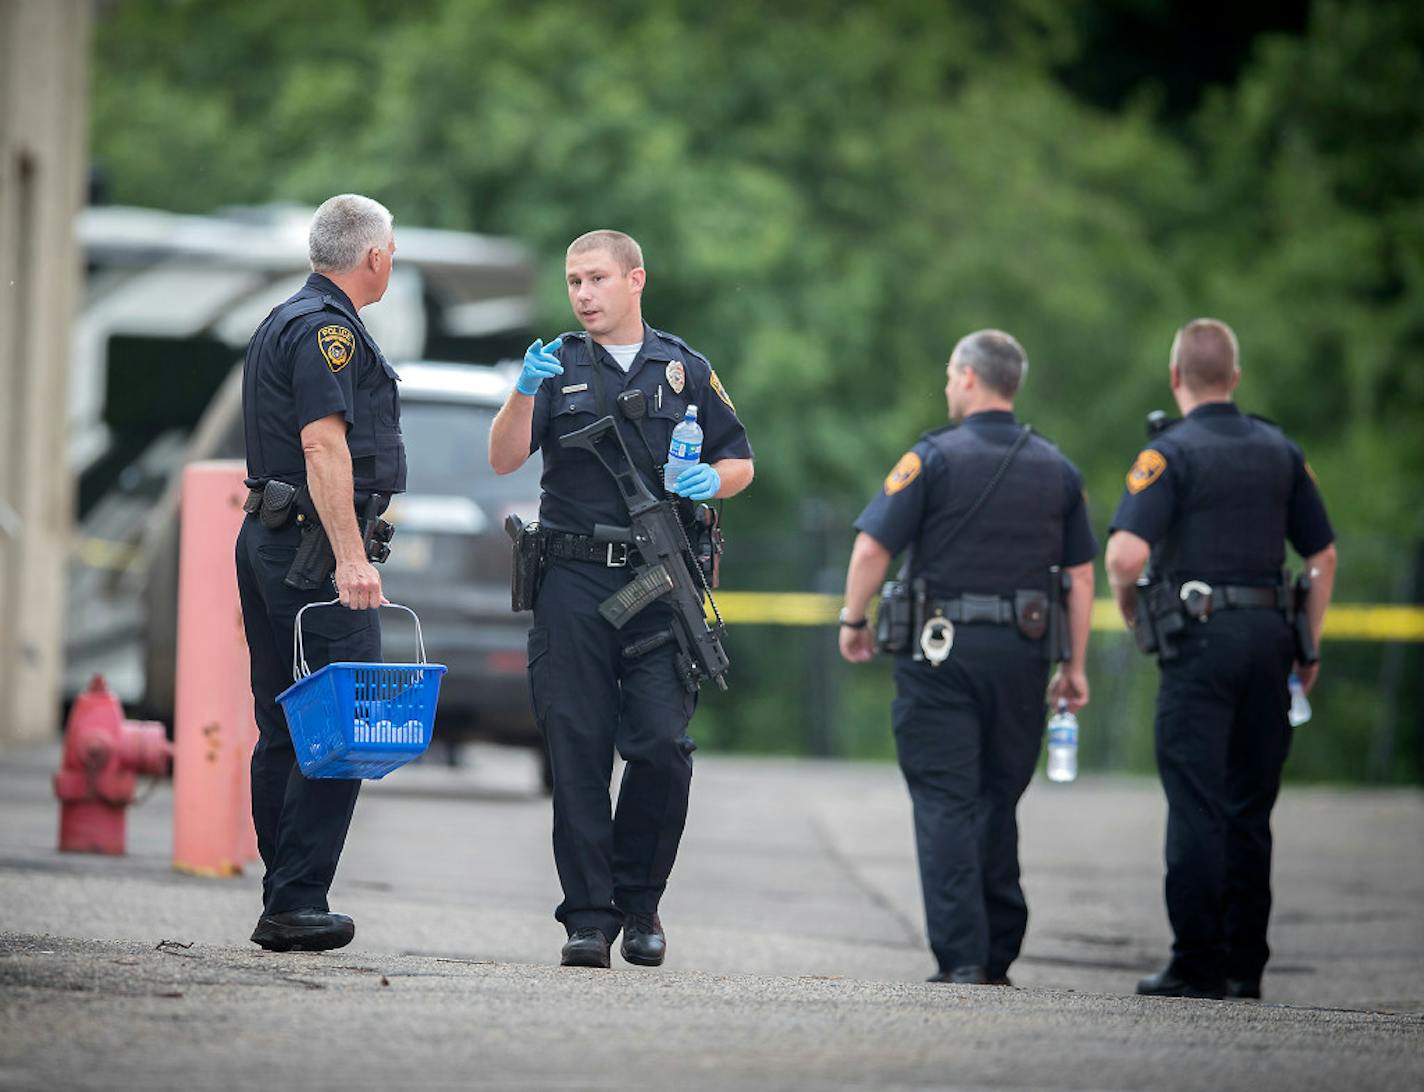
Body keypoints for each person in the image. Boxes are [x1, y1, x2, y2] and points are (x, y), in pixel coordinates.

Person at [488, 229, 754, 969]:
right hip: (572, 579)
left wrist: (712, 481)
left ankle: (642, 904)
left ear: (636, 280)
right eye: (574, 282)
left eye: (597, 279)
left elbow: (740, 460)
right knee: (576, 749)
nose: (583, 295)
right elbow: (505, 456)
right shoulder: (556, 369)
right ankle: (588, 919)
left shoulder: (685, 368)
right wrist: (521, 392)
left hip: (661, 582)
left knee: (663, 745)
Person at [838, 330, 1096, 986]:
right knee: (998, 798)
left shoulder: (933, 458)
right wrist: (1075, 666)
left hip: (940, 654)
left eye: (952, 377)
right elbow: (1082, 578)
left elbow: (872, 549)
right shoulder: (1057, 468)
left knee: (946, 800)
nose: (948, 388)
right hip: (1024, 653)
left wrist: (854, 620)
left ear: (971, 379)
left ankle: (963, 957)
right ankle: (1000, 951)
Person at [1105, 318, 1336, 1000]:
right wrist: (1308, 644)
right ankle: (1244, 964)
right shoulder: (1281, 451)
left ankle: (1197, 962)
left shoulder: (1169, 455)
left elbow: (1123, 555)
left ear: (1176, 377)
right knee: (1248, 807)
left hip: (1199, 644)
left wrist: (1128, 607)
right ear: (1234, 378)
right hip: (1270, 641)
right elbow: (1320, 555)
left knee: (1197, 804)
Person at [236, 194, 405, 952]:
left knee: (284, 724)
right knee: (343, 719)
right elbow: (324, 448)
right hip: (311, 550)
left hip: (272, 538)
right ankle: (297, 898)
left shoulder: (284, 318)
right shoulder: (328, 330)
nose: (393, 260)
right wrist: (350, 556)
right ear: (373, 256)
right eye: (391, 249)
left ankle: (286, 894)